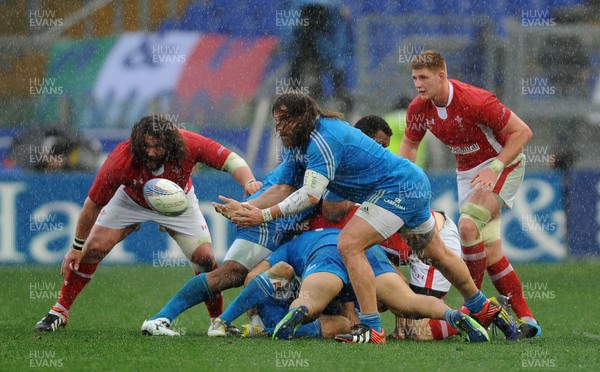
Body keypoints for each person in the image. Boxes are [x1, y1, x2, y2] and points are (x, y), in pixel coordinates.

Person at [231, 93, 518, 343]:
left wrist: (264, 215)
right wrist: (247, 207)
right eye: (277, 121)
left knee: (348, 244)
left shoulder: (323, 139)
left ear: (303, 117)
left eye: (285, 121)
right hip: (411, 181)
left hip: (396, 188)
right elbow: (283, 188)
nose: (280, 127)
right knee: (435, 253)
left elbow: (310, 196)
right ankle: (481, 306)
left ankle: (371, 327)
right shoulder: (301, 144)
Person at [35, 115, 261, 332]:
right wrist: (76, 247)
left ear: (170, 143)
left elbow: (231, 160)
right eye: (146, 146)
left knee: (205, 258)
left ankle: (216, 320)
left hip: (177, 201)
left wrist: (249, 181)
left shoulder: (188, 143)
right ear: (136, 143)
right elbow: (92, 205)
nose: (151, 152)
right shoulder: (120, 160)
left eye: (158, 147)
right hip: (130, 201)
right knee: (92, 248)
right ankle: (60, 311)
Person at [398, 50, 541, 337]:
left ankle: (473, 307)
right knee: (490, 249)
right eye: (414, 78)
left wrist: (496, 167)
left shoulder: (475, 100)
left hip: (502, 162)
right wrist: (400, 182)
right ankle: (528, 320)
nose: (418, 84)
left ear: (441, 76)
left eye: (424, 77)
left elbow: (523, 133)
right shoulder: (418, 108)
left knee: (466, 225)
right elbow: (410, 147)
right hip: (468, 173)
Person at [210, 228, 490, 343]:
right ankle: (455, 315)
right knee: (409, 301)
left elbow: (254, 277)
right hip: (368, 255)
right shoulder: (351, 227)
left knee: (308, 303)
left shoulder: (293, 244)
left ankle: (290, 318)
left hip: (328, 255)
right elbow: (399, 278)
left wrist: (255, 313)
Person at [140, 162, 314, 336]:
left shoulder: (302, 150)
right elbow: (283, 190)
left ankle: (249, 323)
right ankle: (162, 318)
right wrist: (247, 208)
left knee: (246, 274)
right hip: (265, 217)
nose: (281, 132)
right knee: (231, 273)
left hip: (268, 214)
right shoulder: (316, 149)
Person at [281, 0, 354, 112]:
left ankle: (335, 94)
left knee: (305, 79)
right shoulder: (333, 9)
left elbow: (340, 42)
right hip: (309, 47)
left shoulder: (332, 10)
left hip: (314, 47)